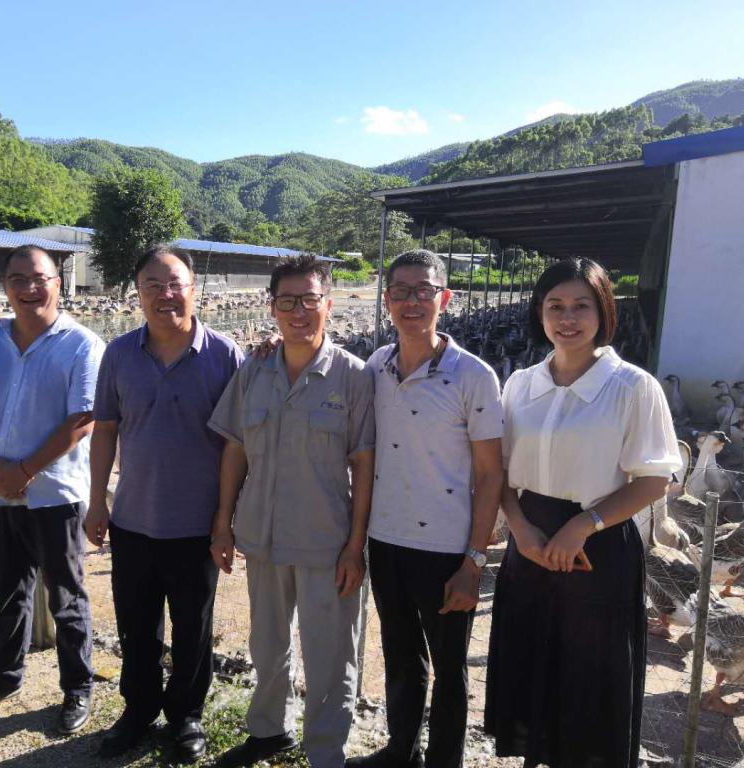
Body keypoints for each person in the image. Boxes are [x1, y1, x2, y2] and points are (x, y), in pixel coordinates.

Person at [484, 257, 681, 768]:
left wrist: (583, 524)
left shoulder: (633, 387)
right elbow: (499, 471)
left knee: (589, 675)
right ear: (540, 313)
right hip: (529, 540)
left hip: (598, 544)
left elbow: (654, 478)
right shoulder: (520, 384)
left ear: (603, 311)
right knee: (534, 664)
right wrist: (519, 529)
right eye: (555, 306)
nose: (567, 318)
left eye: (581, 306)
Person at [208, 254, 375, 768]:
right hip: (261, 534)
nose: (298, 311)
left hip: (327, 541)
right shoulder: (254, 369)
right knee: (266, 643)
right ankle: (269, 731)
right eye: (287, 301)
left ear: (329, 304)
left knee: (330, 654)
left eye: (309, 299)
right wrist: (222, 524)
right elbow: (235, 448)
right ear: (272, 307)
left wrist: (356, 547)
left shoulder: (353, 376)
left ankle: (326, 752)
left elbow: (365, 465)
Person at [86, 245, 244, 762]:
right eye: (152, 285)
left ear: (194, 289)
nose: (165, 295)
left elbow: (238, 445)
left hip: (198, 525)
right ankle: (138, 710)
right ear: (137, 294)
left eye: (175, 284)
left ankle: (186, 716)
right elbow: (105, 430)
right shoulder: (119, 354)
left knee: (193, 627)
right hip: (133, 518)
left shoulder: (225, 355)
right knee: (136, 625)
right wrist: (97, 501)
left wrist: (225, 520)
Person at [350, 250, 503, 768]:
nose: (411, 301)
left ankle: (444, 760)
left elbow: (491, 474)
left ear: (445, 298)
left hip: (446, 548)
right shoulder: (376, 365)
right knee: (399, 654)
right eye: (400, 291)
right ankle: (401, 751)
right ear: (387, 299)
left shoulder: (474, 376)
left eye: (424, 290)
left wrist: (474, 562)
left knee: (449, 668)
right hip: (386, 538)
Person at [0, 245, 104, 735]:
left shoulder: (82, 345)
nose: (29, 287)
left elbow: (83, 418)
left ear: (57, 283)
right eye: (18, 279)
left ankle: (77, 686)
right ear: (5, 286)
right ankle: (4, 676)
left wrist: (24, 470)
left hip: (54, 493)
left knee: (66, 595)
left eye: (39, 278)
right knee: (5, 590)